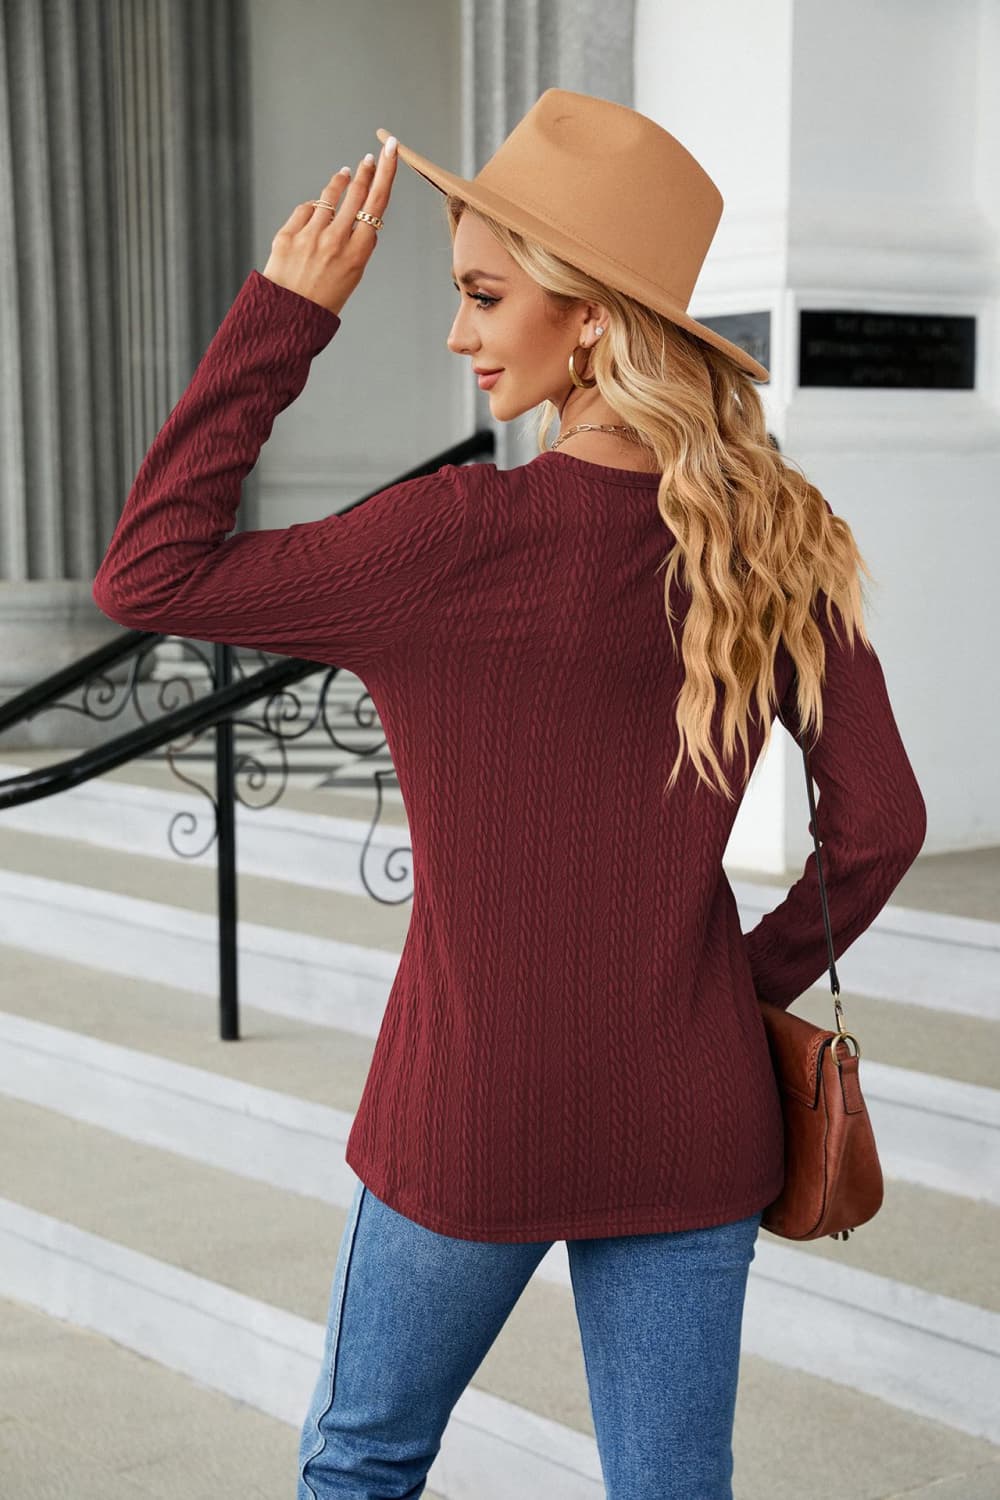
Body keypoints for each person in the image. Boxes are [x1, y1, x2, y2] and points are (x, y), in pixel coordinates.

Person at [91, 89, 927, 1500]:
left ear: (588, 318)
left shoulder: (451, 538)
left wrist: (286, 317)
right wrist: (727, 985)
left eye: (484, 295)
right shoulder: (775, 541)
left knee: (363, 1463)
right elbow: (884, 824)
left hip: (474, 1108)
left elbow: (146, 572)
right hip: (691, 1107)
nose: (457, 332)